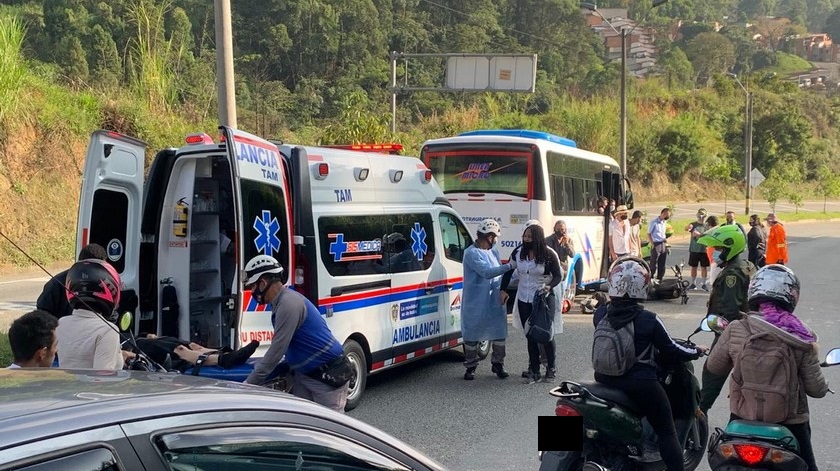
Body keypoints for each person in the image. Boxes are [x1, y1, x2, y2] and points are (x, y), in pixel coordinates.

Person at [706, 265, 828, 471]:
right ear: (792, 296)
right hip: (790, 421)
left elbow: (714, 367)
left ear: (754, 291)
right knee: (808, 467)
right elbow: (816, 390)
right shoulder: (801, 337)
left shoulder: (737, 328)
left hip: (742, 416)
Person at [593, 257, 705, 471]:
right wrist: (695, 350)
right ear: (643, 286)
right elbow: (671, 349)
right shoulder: (649, 319)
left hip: (603, 379)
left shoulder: (601, 314)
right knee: (666, 430)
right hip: (639, 383)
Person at [242, 255, 352, 411]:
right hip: (306, 374)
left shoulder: (288, 304)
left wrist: (247, 385)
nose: (253, 291)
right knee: (302, 425)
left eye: (253, 286)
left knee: (329, 430)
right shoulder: (281, 302)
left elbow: (276, 351)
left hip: (327, 376)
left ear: (263, 283)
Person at [696, 225, 756, 414]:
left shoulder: (732, 274)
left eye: (719, 249)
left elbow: (730, 310)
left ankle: (700, 411)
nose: (715, 253)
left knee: (712, 371)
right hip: (750, 330)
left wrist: (719, 330)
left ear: (731, 249)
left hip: (731, 332)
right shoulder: (746, 265)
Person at [501, 223, 562, 383]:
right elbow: (508, 270)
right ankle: (534, 369)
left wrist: (549, 286)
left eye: (529, 237)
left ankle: (551, 368)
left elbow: (557, 275)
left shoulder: (548, 254)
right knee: (530, 334)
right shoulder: (518, 252)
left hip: (542, 298)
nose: (526, 239)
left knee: (545, 333)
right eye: (524, 236)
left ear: (537, 238)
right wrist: (503, 289)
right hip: (523, 299)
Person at [461, 218, 514, 380]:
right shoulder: (471, 253)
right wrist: (510, 266)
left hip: (493, 300)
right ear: (489, 237)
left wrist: (504, 287)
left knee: (499, 333)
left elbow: (496, 271)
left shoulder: (494, 251)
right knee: (472, 335)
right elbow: (487, 272)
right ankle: (470, 366)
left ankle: (498, 364)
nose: (496, 241)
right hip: (476, 301)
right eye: (495, 237)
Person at [56, 259, 129, 370]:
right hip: (89, 387)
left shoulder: (61, 323)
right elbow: (102, 378)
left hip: (65, 385)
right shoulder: (108, 330)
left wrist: (119, 357)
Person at [684, 208, 710, 290]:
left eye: (703, 215)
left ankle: (704, 284)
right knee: (693, 267)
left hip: (704, 250)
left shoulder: (707, 226)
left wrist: (699, 235)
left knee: (704, 267)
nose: (701, 217)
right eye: (700, 215)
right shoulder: (693, 224)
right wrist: (688, 227)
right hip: (694, 249)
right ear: (697, 215)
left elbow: (709, 236)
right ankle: (693, 283)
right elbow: (686, 228)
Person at [646, 208, 671, 282]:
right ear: (662, 213)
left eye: (668, 215)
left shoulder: (664, 222)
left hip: (663, 243)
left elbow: (662, 233)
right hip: (656, 244)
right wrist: (652, 244)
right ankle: (651, 278)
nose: (667, 216)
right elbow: (649, 234)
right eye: (666, 215)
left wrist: (665, 242)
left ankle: (660, 277)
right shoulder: (654, 222)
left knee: (662, 263)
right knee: (653, 262)